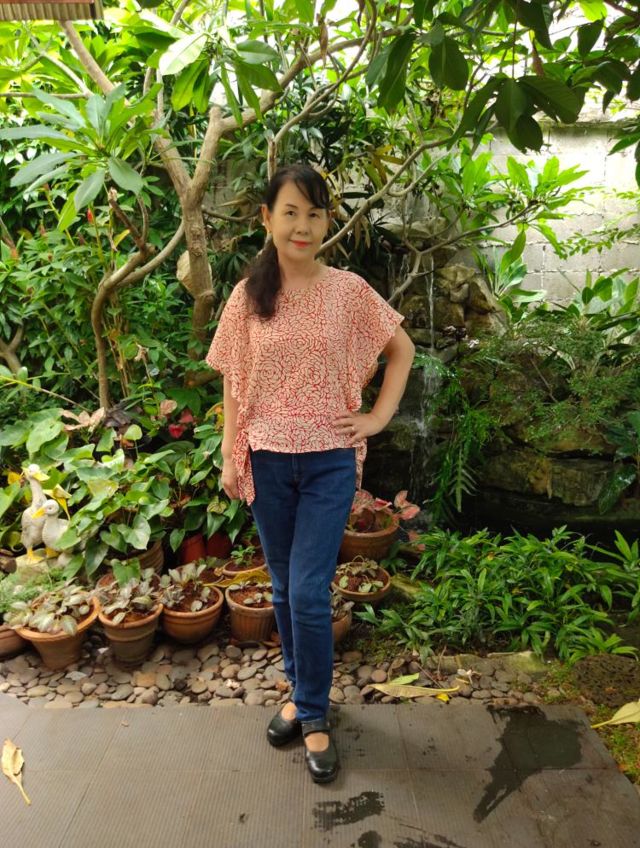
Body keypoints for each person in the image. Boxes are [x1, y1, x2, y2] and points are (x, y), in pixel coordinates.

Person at [206, 164, 415, 783]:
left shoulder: (347, 291)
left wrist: (377, 418)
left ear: (327, 223)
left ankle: (315, 713)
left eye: (315, 214)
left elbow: (401, 350)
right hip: (267, 460)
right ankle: (299, 696)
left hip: (328, 461)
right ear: (267, 219)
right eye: (290, 212)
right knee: (281, 587)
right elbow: (234, 380)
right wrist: (229, 453)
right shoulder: (248, 296)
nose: (302, 226)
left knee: (305, 591)